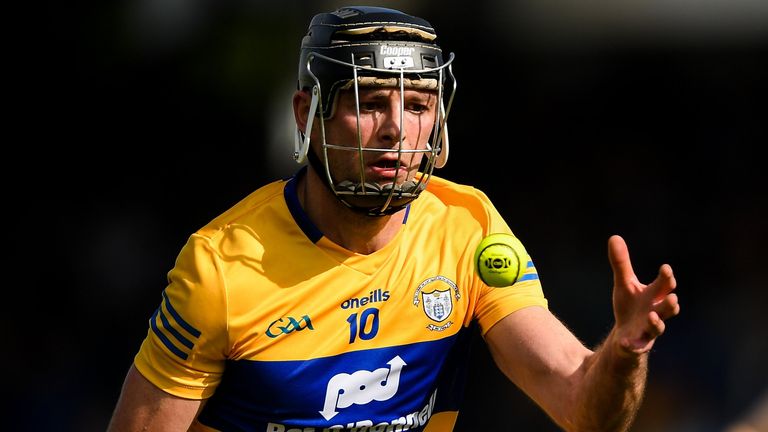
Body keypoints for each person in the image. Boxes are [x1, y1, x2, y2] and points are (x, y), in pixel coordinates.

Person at [107, 6, 680, 432]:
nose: (396, 130)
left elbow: (584, 408)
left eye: (418, 106)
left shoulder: (466, 228)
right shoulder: (220, 267)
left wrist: (624, 353)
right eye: (371, 101)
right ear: (308, 112)